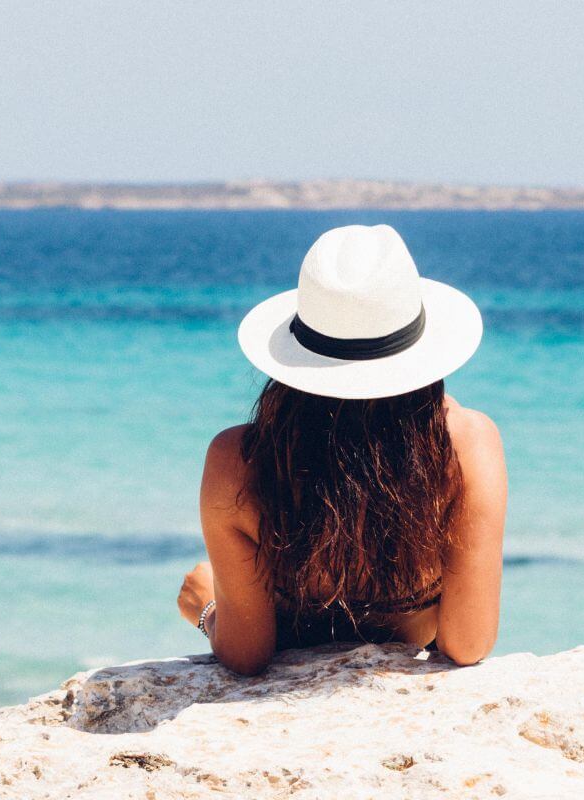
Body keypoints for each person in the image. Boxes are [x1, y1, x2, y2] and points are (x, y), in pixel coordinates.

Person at [177, 224, 506, 675]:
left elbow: (247, 655)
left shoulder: (238, 460)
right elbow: (468, 644)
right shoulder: (466, 445)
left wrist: (207, 607)